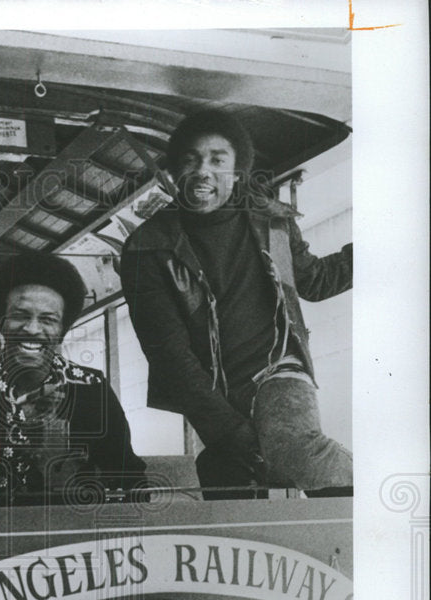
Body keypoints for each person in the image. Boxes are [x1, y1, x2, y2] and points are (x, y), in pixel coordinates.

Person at [120, 109, 353, 494]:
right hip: (211, 386)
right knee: (231, 476)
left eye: (217, 160)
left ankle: (373, 514)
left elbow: (315, 280)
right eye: (191, 160)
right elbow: (169, 354)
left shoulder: (273, 222)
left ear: (237, 171)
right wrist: (226, 429)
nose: (203, 171)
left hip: (279, 367)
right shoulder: (147, 248)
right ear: (175, 170)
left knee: (300, 450)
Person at [0, 252, 147, 503]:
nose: (32, 329)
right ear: (1, 322)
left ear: (62, 329)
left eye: (48, 319)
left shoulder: (90, 388)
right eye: (20, 316)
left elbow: (129, 478)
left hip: (70, 527)